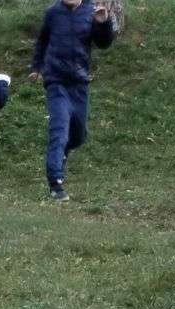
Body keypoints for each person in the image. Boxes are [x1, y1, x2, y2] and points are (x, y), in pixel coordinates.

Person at [28, 0, 116, 198]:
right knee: (59, 130)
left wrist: (103, 23)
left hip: (79, 83)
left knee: (78, 136)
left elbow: (103, 43)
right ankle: (55, 183)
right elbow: (42, 41)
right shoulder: (52, 12)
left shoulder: (91, 11)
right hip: (56, 81)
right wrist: (36, 67)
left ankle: (61, 154)